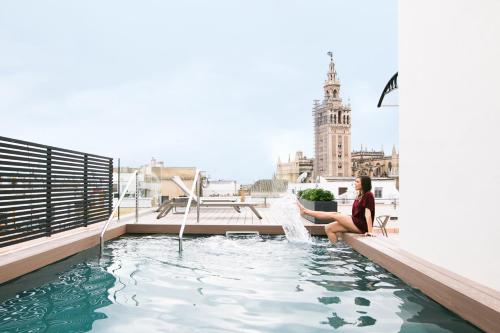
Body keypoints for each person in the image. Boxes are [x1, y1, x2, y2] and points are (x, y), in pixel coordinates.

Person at [297, 176, 375, 243]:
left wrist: (370, 232)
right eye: (355, 181)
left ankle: (305, 211)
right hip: (355, 222)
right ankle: (335, 249)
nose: (355, 183)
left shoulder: (368, 195)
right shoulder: (359, 195)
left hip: (361, 226)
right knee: (328, 228)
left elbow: (368, 215)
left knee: (335, 215)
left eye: (357, 182)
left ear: (364, 183)